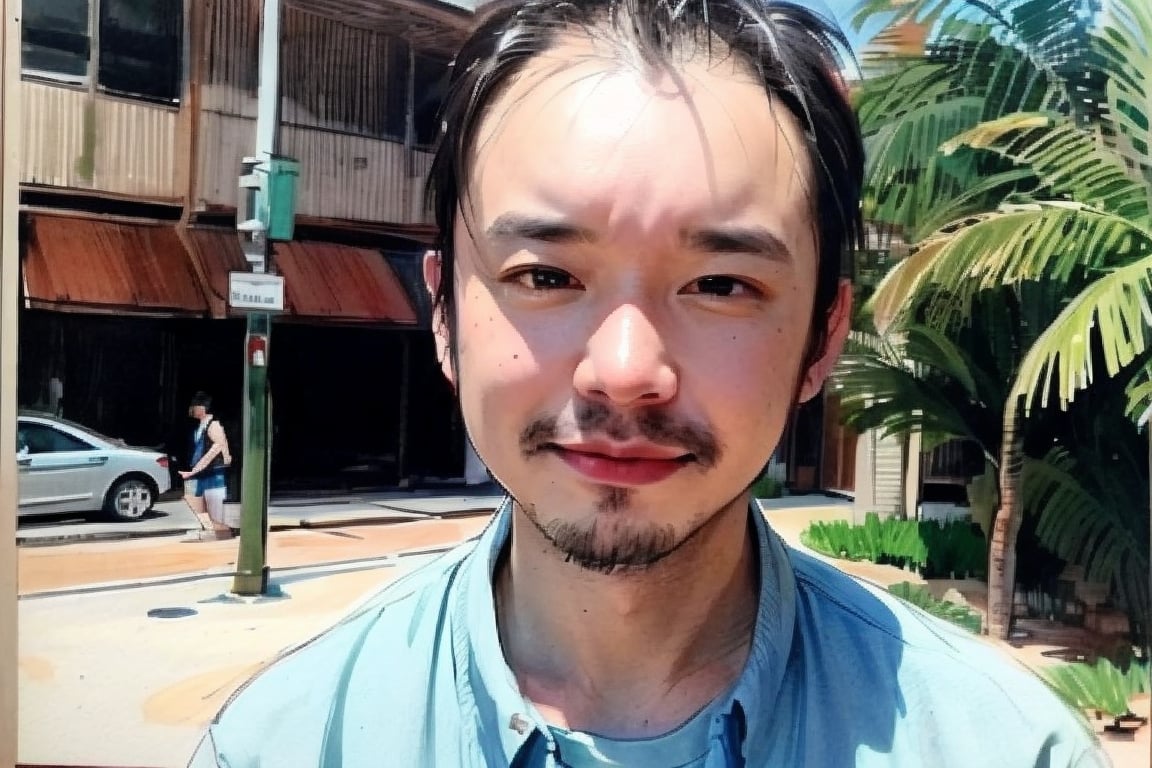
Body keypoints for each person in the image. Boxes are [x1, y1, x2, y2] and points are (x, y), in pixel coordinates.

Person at [191, 1, 1109, 765]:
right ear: (444, 313)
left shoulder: (1006, 748)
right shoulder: (292, 743)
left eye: (720, 285)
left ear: (825, 335)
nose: (626, 374)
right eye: (545, 276)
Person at [181, 391, 233, 542]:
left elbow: (217, 448)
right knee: (195, 499)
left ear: (202, 408)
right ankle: (211, 529)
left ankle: (221, 533)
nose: (191, 410)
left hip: (214, 471)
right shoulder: (200, 427)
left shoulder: (213, 424)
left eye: (194, 406)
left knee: (214, 505)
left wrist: (196, 468)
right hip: (203, 472)